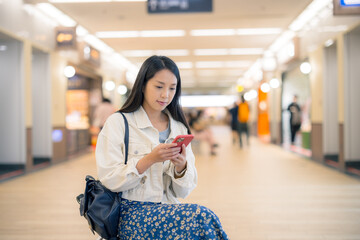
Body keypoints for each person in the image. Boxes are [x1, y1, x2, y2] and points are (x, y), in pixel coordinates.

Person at [96, 56, 228, 239]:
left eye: (172, 88)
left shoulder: (179, 127)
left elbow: (183, 192)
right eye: (159, 87)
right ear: (142, 85)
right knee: (202, 217)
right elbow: (109, 179)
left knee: (202, 222)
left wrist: (181, 167)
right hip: (131, 214)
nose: (166, 94)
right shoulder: (119, 123)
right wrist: (149, 160)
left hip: (169, 209)